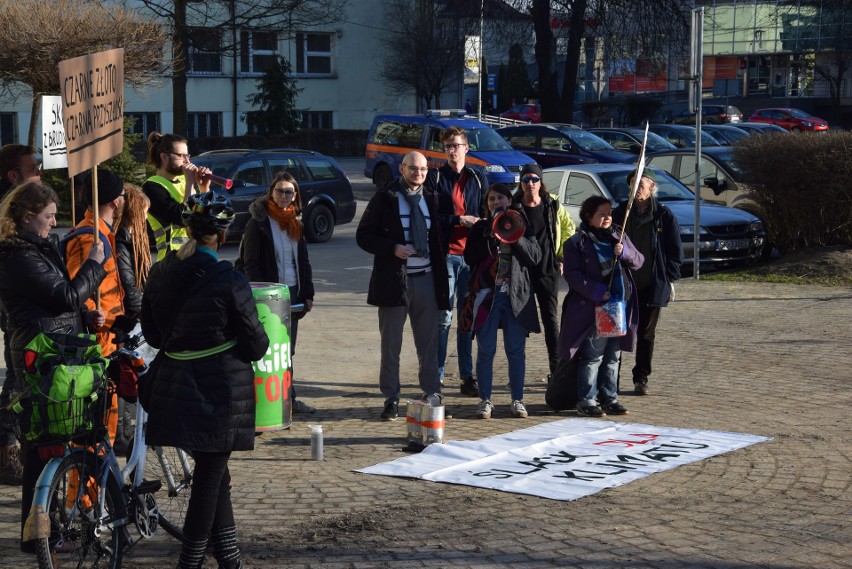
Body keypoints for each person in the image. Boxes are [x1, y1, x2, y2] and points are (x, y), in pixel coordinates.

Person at [140, 192, 269, 569]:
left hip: (174, 387)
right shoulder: (230, 279)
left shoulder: (160, 270)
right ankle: (190, 561)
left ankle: (229, 557)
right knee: (209, 480)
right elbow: (257, 345)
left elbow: (153, 335)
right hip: (219, 394)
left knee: (216, 473)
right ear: (224, 235)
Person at [0, 181, 106, 552]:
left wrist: (85, 316)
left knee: (47, 445)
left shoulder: (38, 248)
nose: (54, 221)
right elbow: (62, 295)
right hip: (39, 356)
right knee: (42, 447)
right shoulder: (18, 257)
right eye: (48, 216)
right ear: (27, 217)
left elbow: (60, 302)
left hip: (54, 348)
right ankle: (39, 534)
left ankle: (42, 530)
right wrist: (94, 265)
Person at [356, 151, 449, 421]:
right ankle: (391, 398)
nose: (418, 173)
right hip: (394, 281)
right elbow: (363, 236)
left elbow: (439, 236)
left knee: (428, 343)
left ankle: (431, 393)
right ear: (402, 168)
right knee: (391, 345)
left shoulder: (431, 197)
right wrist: (392, 247)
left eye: (423, 169)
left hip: (427, 280)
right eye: (413, 169)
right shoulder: (386, 197)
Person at [559, 196, 644, 417]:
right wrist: (597, 291)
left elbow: (638, 261)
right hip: (594, 308)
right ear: (589, 216)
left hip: (619, 306)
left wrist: (624, 252)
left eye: (609, 213)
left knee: (613, 355)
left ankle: (610, 398)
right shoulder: (576, 243)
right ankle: (587, 400)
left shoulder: (619, 235)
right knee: (593, 355)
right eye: (602, 214)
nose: (608, 218)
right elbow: (572, 275)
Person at [463, 184, 541, 419]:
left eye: (501, 198)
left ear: (509, 201)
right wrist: (490, 236)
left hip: (516, 295)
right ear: (487, 205)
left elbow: (535, 257)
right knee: (486, 350)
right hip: (488, 295)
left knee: (516, 351)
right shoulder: (480, 228)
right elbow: (469, 258)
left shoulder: (523, 223)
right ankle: (485, 400)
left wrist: (513, 236)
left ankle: (517, 399)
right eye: (491, 199)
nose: (496, 202)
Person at [240, 171, 316, 413]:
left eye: (289, 192)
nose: (284, 196)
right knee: (266, 349)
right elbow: (250, 263)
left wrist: (308, 293)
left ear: (295, 196)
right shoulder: (258, 223)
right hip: (268, 296)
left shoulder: (296, 222)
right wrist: (263, 294)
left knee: (286, 349)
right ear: (271, 192)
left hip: (292, 292)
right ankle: (262, 403)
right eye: (280, 190)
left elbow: (303, 261)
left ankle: (288, 399)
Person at [425, 126, 484, 397]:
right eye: (448, 146)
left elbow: (486, 212)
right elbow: (431, 217)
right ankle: (436, 376)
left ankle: (466, 376)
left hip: (470, 258)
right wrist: (459, 220)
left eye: (456, 145)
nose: (452, 150)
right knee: (444, 318)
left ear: (466, 148)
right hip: (447, 255)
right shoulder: (436, 178)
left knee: (466, 320)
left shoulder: (476, 178)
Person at [613, 168, 682, 396]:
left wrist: (668, 277)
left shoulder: (663, 214)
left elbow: (675, 250)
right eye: (632, 184)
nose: (636, 189)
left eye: (640, 184)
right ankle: (610, 379)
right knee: (618, 331)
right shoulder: (621, 212)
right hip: (624, 284)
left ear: (652, 187)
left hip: (652, 283)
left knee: (646, 333)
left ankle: (641, 378)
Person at [0, 144, 41, 484]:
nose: (39, 171)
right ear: (14, 175)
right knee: (16, 379)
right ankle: (9, 451)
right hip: (13, 311)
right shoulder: (8, 211)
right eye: (33, 167)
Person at [511, 163, 575, 378]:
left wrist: (562, 256)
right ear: (521, 183)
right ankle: (516, 373)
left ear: (540, 182)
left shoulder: (552, 203)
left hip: (548, 269)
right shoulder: (514, 206)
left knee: (550, 320)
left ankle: (555, 370)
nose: (530, 183)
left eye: (534, 179)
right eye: (526, 179)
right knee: (519, 321)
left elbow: (568, 228)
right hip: (522, 271)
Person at [113, 183, 151, 453]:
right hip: (127, 320)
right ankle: (123, 436)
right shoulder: (122, 239)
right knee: (126, 379)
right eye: (145, 213)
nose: (148, 219)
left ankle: (127, 434)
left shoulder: (127, 238)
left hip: (131, 317)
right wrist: (143, 311)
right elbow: (129, 286)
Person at [143, 132, 211, 262]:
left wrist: (204, 189)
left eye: (187, 155)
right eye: (181, 155)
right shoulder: (151, 187)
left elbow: (204, 217)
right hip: (172, 260)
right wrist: (191, 182)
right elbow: (182, 218)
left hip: (195, 255)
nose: (187, 161)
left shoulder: (184, 181)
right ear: (164, 157)